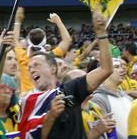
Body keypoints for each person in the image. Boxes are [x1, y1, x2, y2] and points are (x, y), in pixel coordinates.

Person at [18, 10, 113, 139]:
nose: (32, 70)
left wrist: (101, 33)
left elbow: (106, 70)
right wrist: (51, 116)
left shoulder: (70, 90)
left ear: (52, 69)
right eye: (29, 68)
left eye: (36, 65)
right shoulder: (27, 102)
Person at [12, 7, 72, 93]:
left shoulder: (23, 57)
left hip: (27, 101)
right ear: (45, 41)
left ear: (28, 40)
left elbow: (14, 40)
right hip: (47, 100)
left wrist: (17, 20)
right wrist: (58, 21)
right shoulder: (50, 57)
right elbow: (67, 40)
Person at [88, 58, 134, 139]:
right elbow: (104, 132)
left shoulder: (128, 98)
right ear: (104, 72)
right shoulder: (98, 98)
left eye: (122, 67)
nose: (122, 70)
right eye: (116, 67)